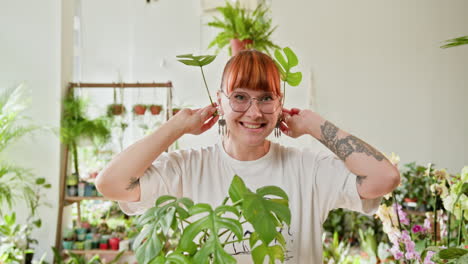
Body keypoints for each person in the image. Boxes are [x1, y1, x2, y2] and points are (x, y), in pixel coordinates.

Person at [96, 50, 400, 263]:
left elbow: (384, 177)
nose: (254, 112)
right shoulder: (188, 168)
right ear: (219, 101)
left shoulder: (308, 169)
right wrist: (177, 126)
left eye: (266, 98)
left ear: (280, 105)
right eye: (240, 97)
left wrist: (315, 126)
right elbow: (111, 183)